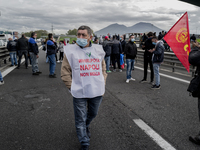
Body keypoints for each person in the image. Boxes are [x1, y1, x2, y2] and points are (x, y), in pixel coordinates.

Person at [61, 25, 107, 150]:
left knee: (93, 113)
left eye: (83, 35)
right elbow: (65, 71)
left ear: (90, 37)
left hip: (96, 90)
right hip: (79, 91)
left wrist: (102, 84)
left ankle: (86, 125)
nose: (80, 37)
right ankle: (84, 142)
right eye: (78, 35)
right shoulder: (70, 51)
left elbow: (103, 69)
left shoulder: (98, 51)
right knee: (80, 118)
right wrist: (72, 87)